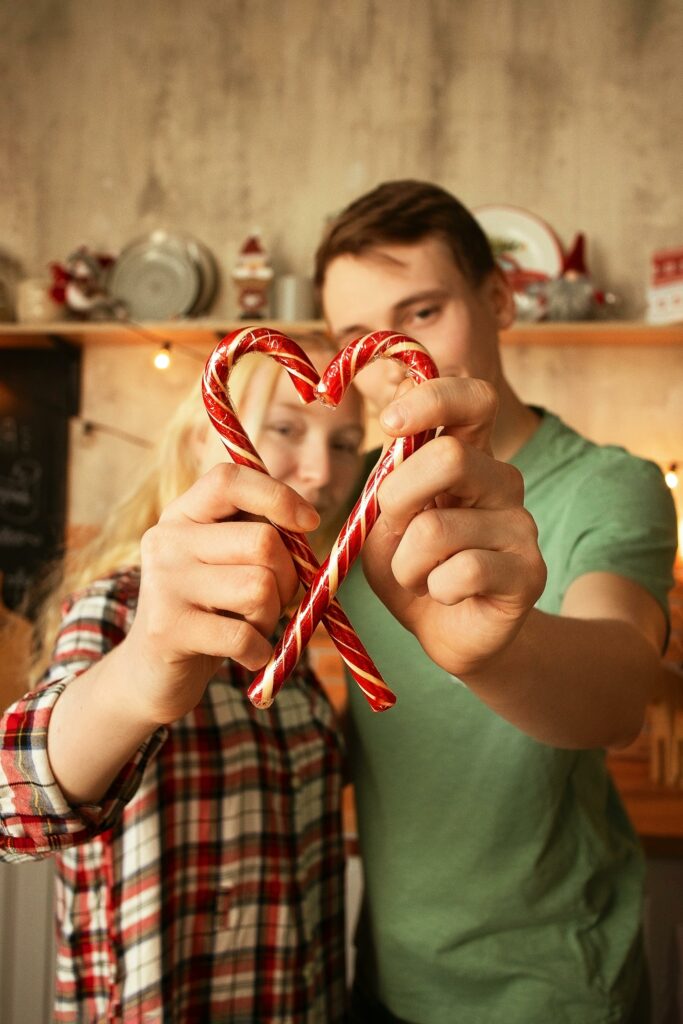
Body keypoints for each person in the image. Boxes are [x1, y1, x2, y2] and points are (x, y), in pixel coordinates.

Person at [313, 180, 679, 1024]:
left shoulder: (608, 486)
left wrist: (497, 650)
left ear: (498, 299)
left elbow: (620, 685)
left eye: (423, 313)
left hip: (557, 987)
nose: (390, 359)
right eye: (355, 339)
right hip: (383, 973)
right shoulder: (348, 500)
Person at [0, 335, 368, 1023]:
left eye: (345, 442)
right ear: (205, 438)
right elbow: (13, 805)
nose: (321, 469)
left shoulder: (291, 625)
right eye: (286, 428)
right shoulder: (120, 608)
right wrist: (142, 670)